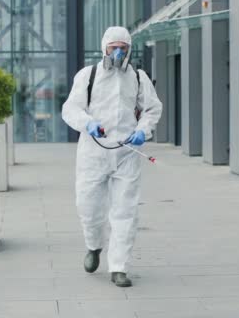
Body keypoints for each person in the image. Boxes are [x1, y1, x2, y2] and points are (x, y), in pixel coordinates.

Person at [61, 26, 163, 287]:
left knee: (125, 211)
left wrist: (143, 130)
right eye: (113, 48)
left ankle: (119, 266)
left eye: (123, 48)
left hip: (127, 152)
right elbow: (70, 108)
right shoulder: (88, 75)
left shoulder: (138, 77)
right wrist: (88, 123)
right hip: (93, 152)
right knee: (89, 206)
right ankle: (94, 246)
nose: (118, 53)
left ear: (129, 49)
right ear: (104, 47)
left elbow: (152, 108)